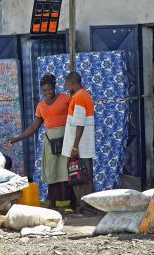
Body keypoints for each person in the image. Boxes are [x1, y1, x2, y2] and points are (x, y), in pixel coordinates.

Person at [7, 73, 75, 210]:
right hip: (50, 142)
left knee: (67, 171)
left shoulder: (66, 99)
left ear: (54, 87)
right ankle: (53, 203)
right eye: (44, 90)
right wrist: (16, 139)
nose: (47, 92)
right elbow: (34, 127)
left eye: (49, 89)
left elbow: (76, 117)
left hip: (67, 139)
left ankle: (72, 203)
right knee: (52, 171)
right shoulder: (40, 106)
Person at [62, 71, 96, 216]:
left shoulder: (80, 97)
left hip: (80, 147)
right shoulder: (82, 95)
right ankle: (86, 208)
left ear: (71, 83)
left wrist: (74, 147)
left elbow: (79, 124)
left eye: (66, 84)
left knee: (81, 178)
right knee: (83, 177)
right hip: (82, 146)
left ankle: (86, 209)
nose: (66, 87)